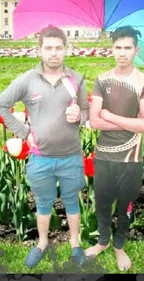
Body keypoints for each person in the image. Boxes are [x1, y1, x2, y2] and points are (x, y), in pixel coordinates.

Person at [0, 26, 89, 268]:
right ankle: (41, 243)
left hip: (71, 156)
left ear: (65, 49)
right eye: (48, 48)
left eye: (58, 48)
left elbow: (87, 111)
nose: (53, 53)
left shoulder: (76, 79)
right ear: (39, 50)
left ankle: (75, 243)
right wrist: (24, 133)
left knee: (72, 201)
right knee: (43, 203)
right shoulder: (27, 80)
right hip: (40, 159)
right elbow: (2, 104)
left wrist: (78, 116)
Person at [84, 26, 144, 271]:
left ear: (135, 50)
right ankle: (103, 242)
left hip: (131, 158)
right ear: (111, 49)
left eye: (127, 48)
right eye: (117, 47)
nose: (122, 53)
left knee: (125, 204)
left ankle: (119, 246)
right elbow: (94, 121)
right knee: (102, 202)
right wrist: (126, 122)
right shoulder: (102, 80)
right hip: (104, 154)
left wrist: (109, 115)